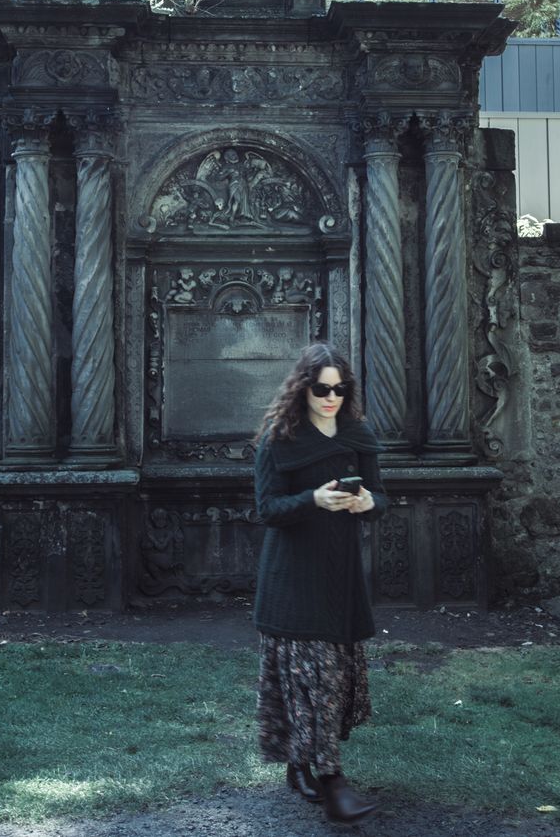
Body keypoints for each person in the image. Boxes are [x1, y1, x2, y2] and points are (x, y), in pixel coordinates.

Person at [253, 341, 388, 823]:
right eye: (321, 388)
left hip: (340, 574)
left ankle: (301, 764)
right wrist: (313, 499)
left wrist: (365, 503)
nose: (331, 396)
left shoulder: (357, 433)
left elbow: (383, 497)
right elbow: (267, 509)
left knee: (327, 680)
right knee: (312, 679)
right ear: (302, 387)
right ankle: (332, 782)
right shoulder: (278, 436)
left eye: (340, 388)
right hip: (293, 579)